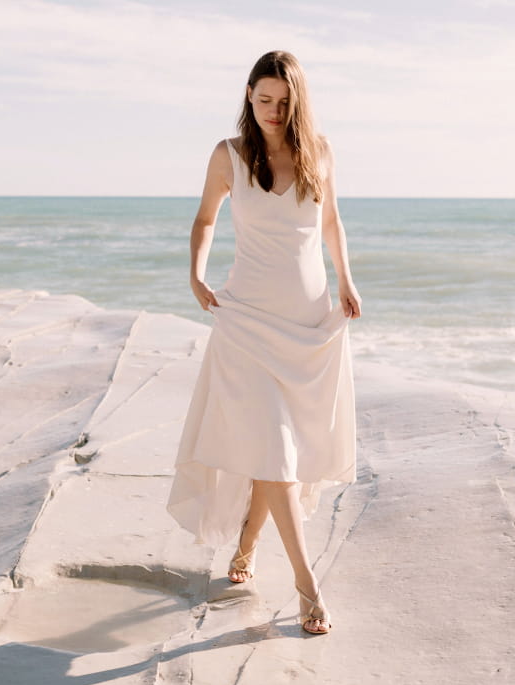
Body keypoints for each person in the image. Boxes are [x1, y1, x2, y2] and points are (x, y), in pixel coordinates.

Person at [166, 50, 361, 636]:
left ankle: (247, 545)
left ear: (297, 102)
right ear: (249, 96)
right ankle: (308, 587)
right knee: (276, 452)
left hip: (307, 323)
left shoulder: (319, 152)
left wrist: (346, 281)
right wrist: (195, 274)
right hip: (246, 322)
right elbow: (205, 219)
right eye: (263, 99)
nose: (273, 111)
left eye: (283, 101)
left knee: (281, 454)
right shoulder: (228, 155)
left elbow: (331, 223)